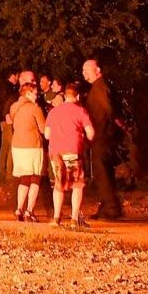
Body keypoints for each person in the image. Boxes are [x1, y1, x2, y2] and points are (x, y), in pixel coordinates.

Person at [46, 80, 96, 228]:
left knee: (58, 184)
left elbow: (47, 135)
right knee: (77, 185)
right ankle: (74, 219)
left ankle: (56, 217)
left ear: (65, 96)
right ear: (78, 96)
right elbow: (91, 133)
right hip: (74, 151)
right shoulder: (81, 111)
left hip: (56, 153)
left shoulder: (53, 112)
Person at [82, 58, 123, 220]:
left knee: (103, 172)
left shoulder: (100, 88)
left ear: (97, 69)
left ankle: (111, 207)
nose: (84, 75)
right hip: (102, 135)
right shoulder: (99, 87)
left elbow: (108, 110)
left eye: (87, 70)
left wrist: (105, 128)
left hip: (102, 136)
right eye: (83, 71)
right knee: (103, 172)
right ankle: (107, 205)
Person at [8, 79, 47, 222]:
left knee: (24, 179)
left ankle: (19, 208)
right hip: (33, 146)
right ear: (29, 93)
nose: (37, 96)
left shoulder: (13, 107)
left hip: (17, 146)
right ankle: (29, 210)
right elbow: (43, 129)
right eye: (36, 93)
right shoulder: (35, 108)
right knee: (35, 178)